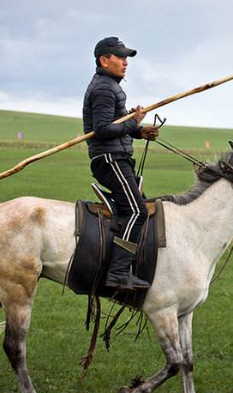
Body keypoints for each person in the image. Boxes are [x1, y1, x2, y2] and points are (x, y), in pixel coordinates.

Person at [82, 36, 159, 291]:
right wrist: (134, 122)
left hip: (118, 157)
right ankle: (117, 273)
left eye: (127, 57)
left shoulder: (111, 86)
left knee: (140, 210)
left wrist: (139, 131)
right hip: (109, 159)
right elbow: (102, 129)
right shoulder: (104, 88)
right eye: (121, 57)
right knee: (137, 211)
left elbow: (116, 124)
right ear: (104, 60)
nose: (125, 62)